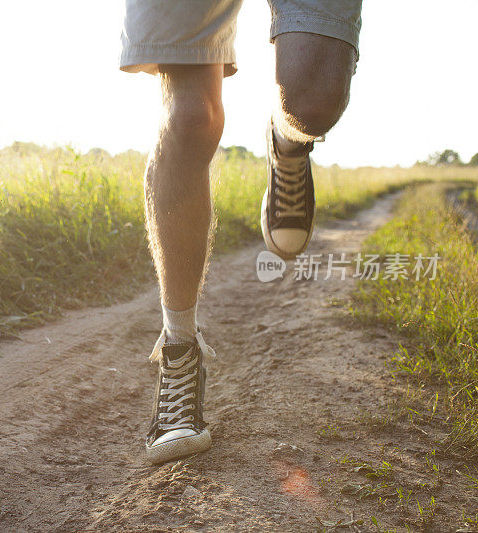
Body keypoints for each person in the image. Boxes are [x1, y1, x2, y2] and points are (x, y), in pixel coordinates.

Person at [119, 0, 362, 464]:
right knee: (189, 118)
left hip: (304, 111)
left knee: (312, 102)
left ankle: (288, 140)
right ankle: (179, 346)